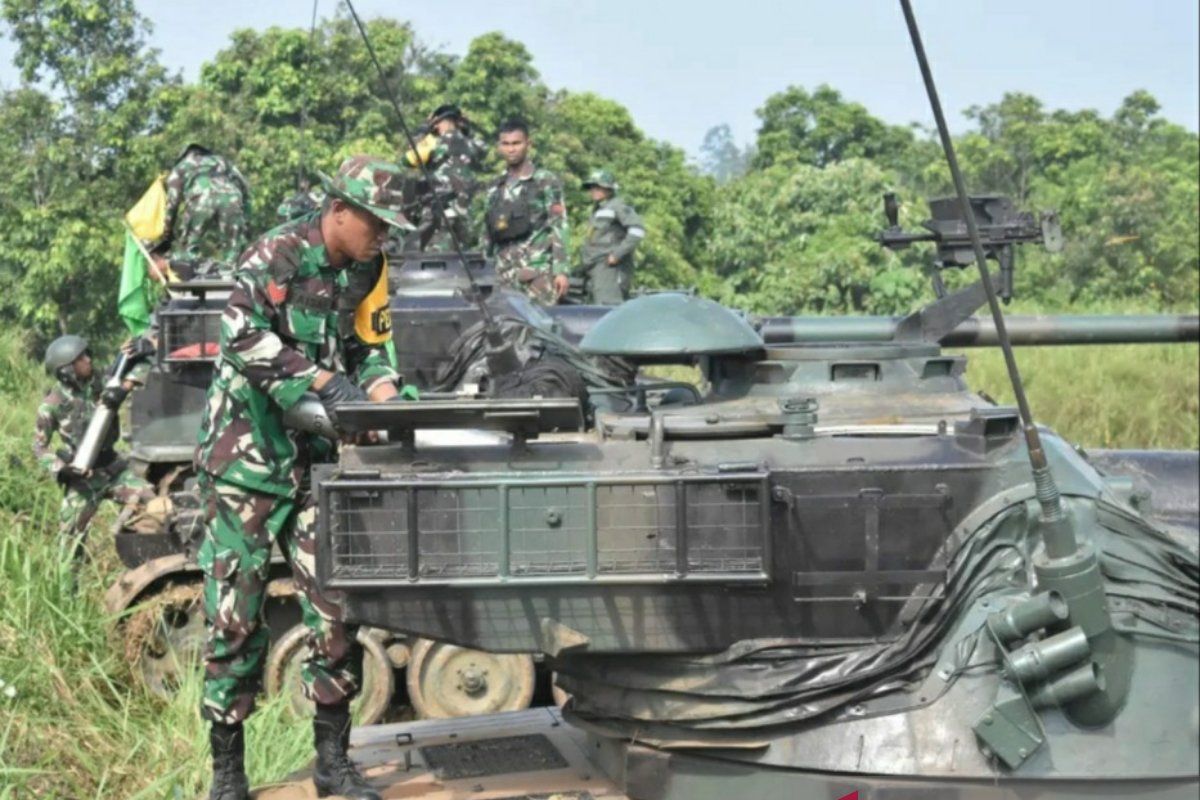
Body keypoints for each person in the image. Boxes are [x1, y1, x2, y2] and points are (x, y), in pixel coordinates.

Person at [193, 155, 412, 800]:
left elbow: (373, 345)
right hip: (247, 467)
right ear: (338, 210)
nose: (383, 236)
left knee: (338, 610)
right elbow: (239, 336)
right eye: (376, 222)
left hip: (318, 470)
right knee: (235, 620)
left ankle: (332, 765)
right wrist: (322, 380)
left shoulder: (369, 268)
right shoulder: (276, 256)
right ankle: (228, 774)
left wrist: (385, 396)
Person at [33, 335, 154, 573]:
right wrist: (60, 469)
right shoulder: (52, 404)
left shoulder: (104, 380)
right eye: (81, 358)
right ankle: (68, 601)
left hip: (114, 471)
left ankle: (147, 570)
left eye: (87, 355)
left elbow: (143, 363)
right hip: (82, 480)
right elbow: (38, 446)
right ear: (66, 370)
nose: (88, 360)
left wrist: (124, 388)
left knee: (156, 505)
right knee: (69, 547)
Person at [483, 119, 570, 304]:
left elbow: (559, 224)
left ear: (528, 144)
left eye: (516, 143)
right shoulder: (495, 186)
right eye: (506, 144)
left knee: (540, 327)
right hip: (503, 275)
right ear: (499, 146)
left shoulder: (545, 180)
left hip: (537, 273)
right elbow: (487, 232)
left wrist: (561, 270)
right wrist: (482, 269)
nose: (511, 149)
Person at [154, 143, 252, 280]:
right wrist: (246, 217)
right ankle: (230, 274)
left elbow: (172, 203)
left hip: (201, 200)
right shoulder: (223, 161)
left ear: (185, 155)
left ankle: (188, 272)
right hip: (232, 198)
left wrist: (167, 232)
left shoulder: (180, 168)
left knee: (187, 248)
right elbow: (245, 186)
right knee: (233, 248)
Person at [405, 103, 488, 252]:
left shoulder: (432, 144)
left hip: (438, 212)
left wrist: (425, 128)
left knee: (435, 257)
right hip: (466, 210)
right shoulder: (472, 144)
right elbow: (484, 150)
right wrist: (467, 128)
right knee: (463, 255)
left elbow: (407, 160)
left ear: (436, 123)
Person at [578, 169, 645, 305]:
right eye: (592, 187)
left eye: (598, 187)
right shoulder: (599, 209)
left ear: (609, 188)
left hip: (609, 268)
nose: (594, 190)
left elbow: (637, 230)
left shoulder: (618, 206)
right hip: (594, 267)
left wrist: (617, 255)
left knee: (608, 309)